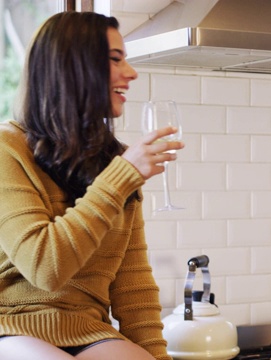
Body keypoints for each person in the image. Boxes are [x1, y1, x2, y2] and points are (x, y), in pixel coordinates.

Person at [0, 11, 183, 360]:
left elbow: (134, 289)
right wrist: (121, 176)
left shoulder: (117, 160)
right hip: (10, 327)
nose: (131, 73)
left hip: (90, 333)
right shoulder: (7, 148)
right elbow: (45, 268)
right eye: (115, 60)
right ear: (73, 68)